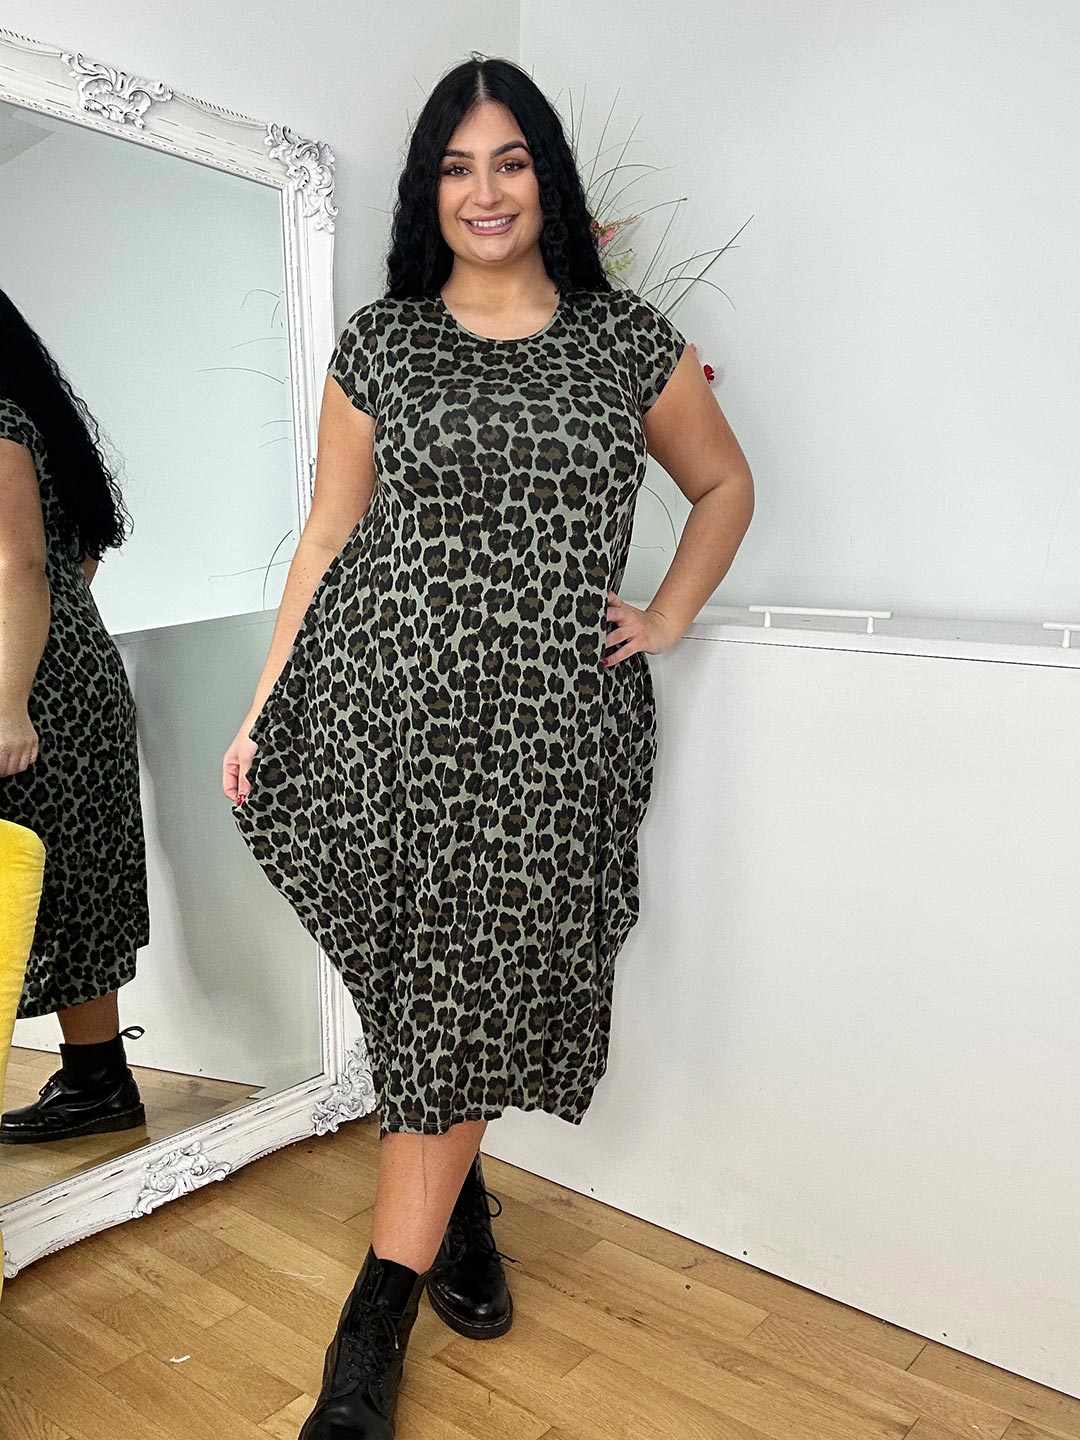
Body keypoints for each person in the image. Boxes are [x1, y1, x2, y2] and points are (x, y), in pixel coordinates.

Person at [222, 53, 753, 1439]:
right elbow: (329, 538)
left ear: (547, 176)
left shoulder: (626, 341)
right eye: (456, 166)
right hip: (385, 709)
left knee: (473, 979)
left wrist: (670, 615)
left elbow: (722, 480)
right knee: (433, 978)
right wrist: (263, 701)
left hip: (546, 737)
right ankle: (425, 1257)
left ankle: (383, 1306)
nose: (485, 188)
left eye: (509, 159)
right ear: (429, 191)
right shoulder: (382, 343)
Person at [0, 289, 150, 1144]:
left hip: (35, 691)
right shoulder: (37, 417)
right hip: (74, 673)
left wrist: (12, 700)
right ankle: (98, 1082)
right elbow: (76, 560)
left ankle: (98, 1082)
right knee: (69, 880)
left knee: (44, 880)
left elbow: (19, 567)